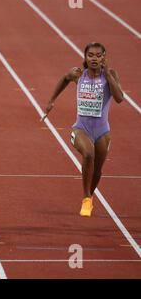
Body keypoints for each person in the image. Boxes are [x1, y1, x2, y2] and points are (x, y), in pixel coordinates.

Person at [43, 42, 124, 217]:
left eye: (98, 55)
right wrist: (51, 101)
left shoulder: (110, 75)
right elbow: (64, 79)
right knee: (88, 154)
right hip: (81, 128)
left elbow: (119, 98)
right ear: (85, 57)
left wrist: (109, 75)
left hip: (102, 132)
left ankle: (88, 197)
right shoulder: (78, 74)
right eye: (90, 55)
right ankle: (87, 198)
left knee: (97, 170)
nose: (94, 59)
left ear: (104, 57)